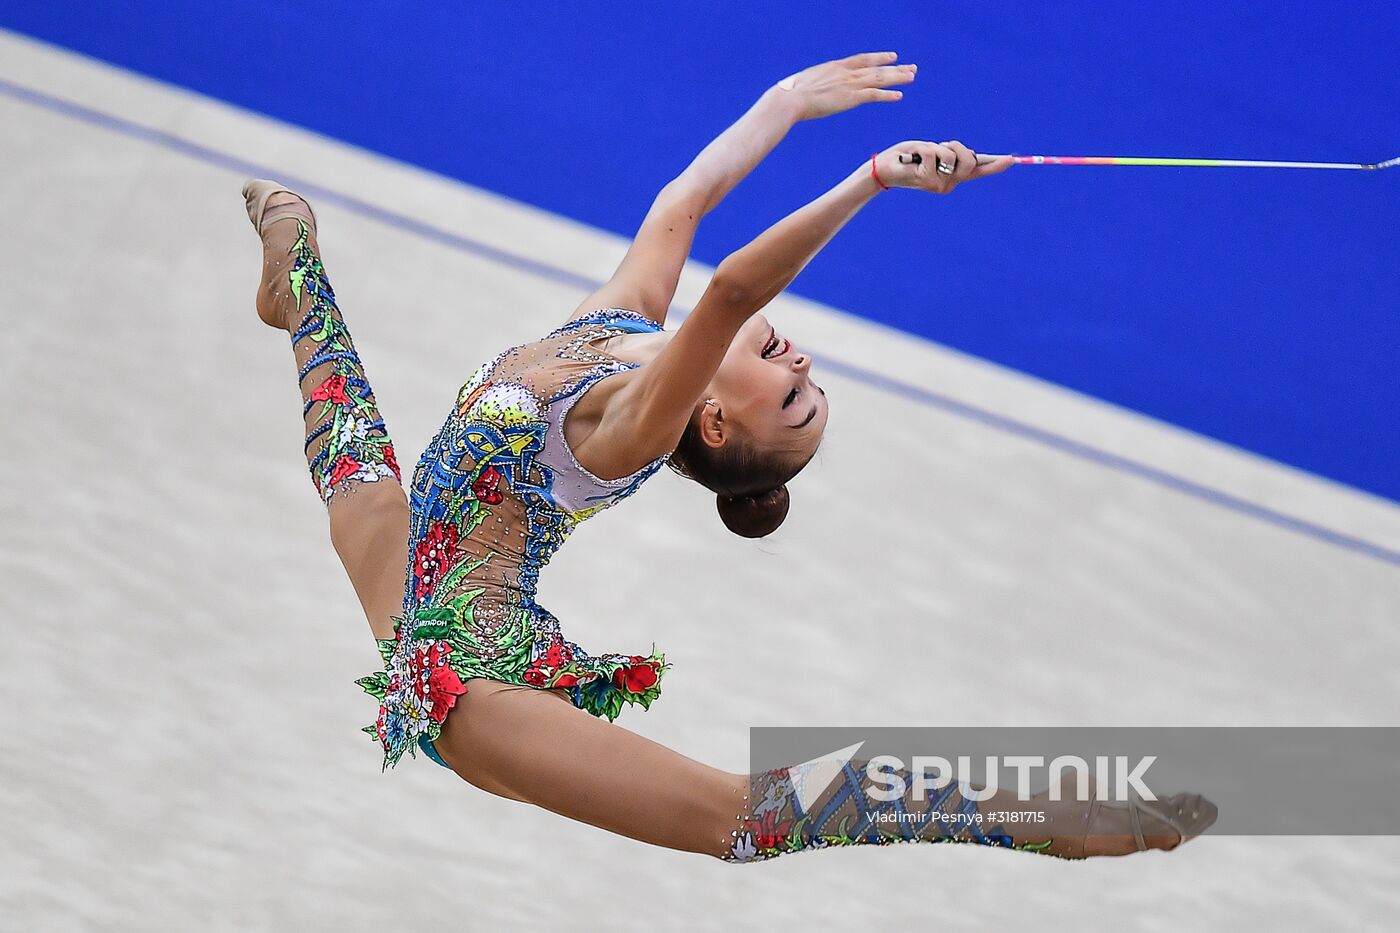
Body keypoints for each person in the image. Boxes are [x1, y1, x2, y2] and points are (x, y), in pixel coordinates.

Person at [243, 52, 1213, 863]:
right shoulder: (616, 329)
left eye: (791, 398)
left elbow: (735, 292)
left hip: (475, 688)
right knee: (358, 475)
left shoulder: (628, 428)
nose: (797, 362)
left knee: (741, 819)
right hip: (416, 597)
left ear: (707, 422)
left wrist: (873, 180)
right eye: (805, 382)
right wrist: (786, 102)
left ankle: (1037, 820)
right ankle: (296, 281)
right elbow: (686, 200)